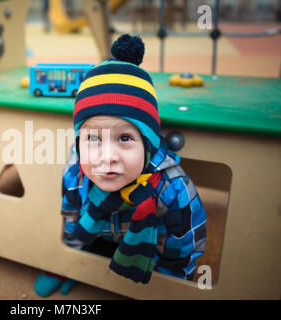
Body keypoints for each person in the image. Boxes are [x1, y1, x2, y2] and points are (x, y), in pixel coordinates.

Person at [34, 34, 207, 297]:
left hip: (150, 250)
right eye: (93, 139)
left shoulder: (173, 189)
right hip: (100, 239)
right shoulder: (76, 174)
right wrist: (70, 261)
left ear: (147, 144)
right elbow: (71, 217)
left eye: (125, 138)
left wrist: (169, 284)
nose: (108, 156)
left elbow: (186, 243)